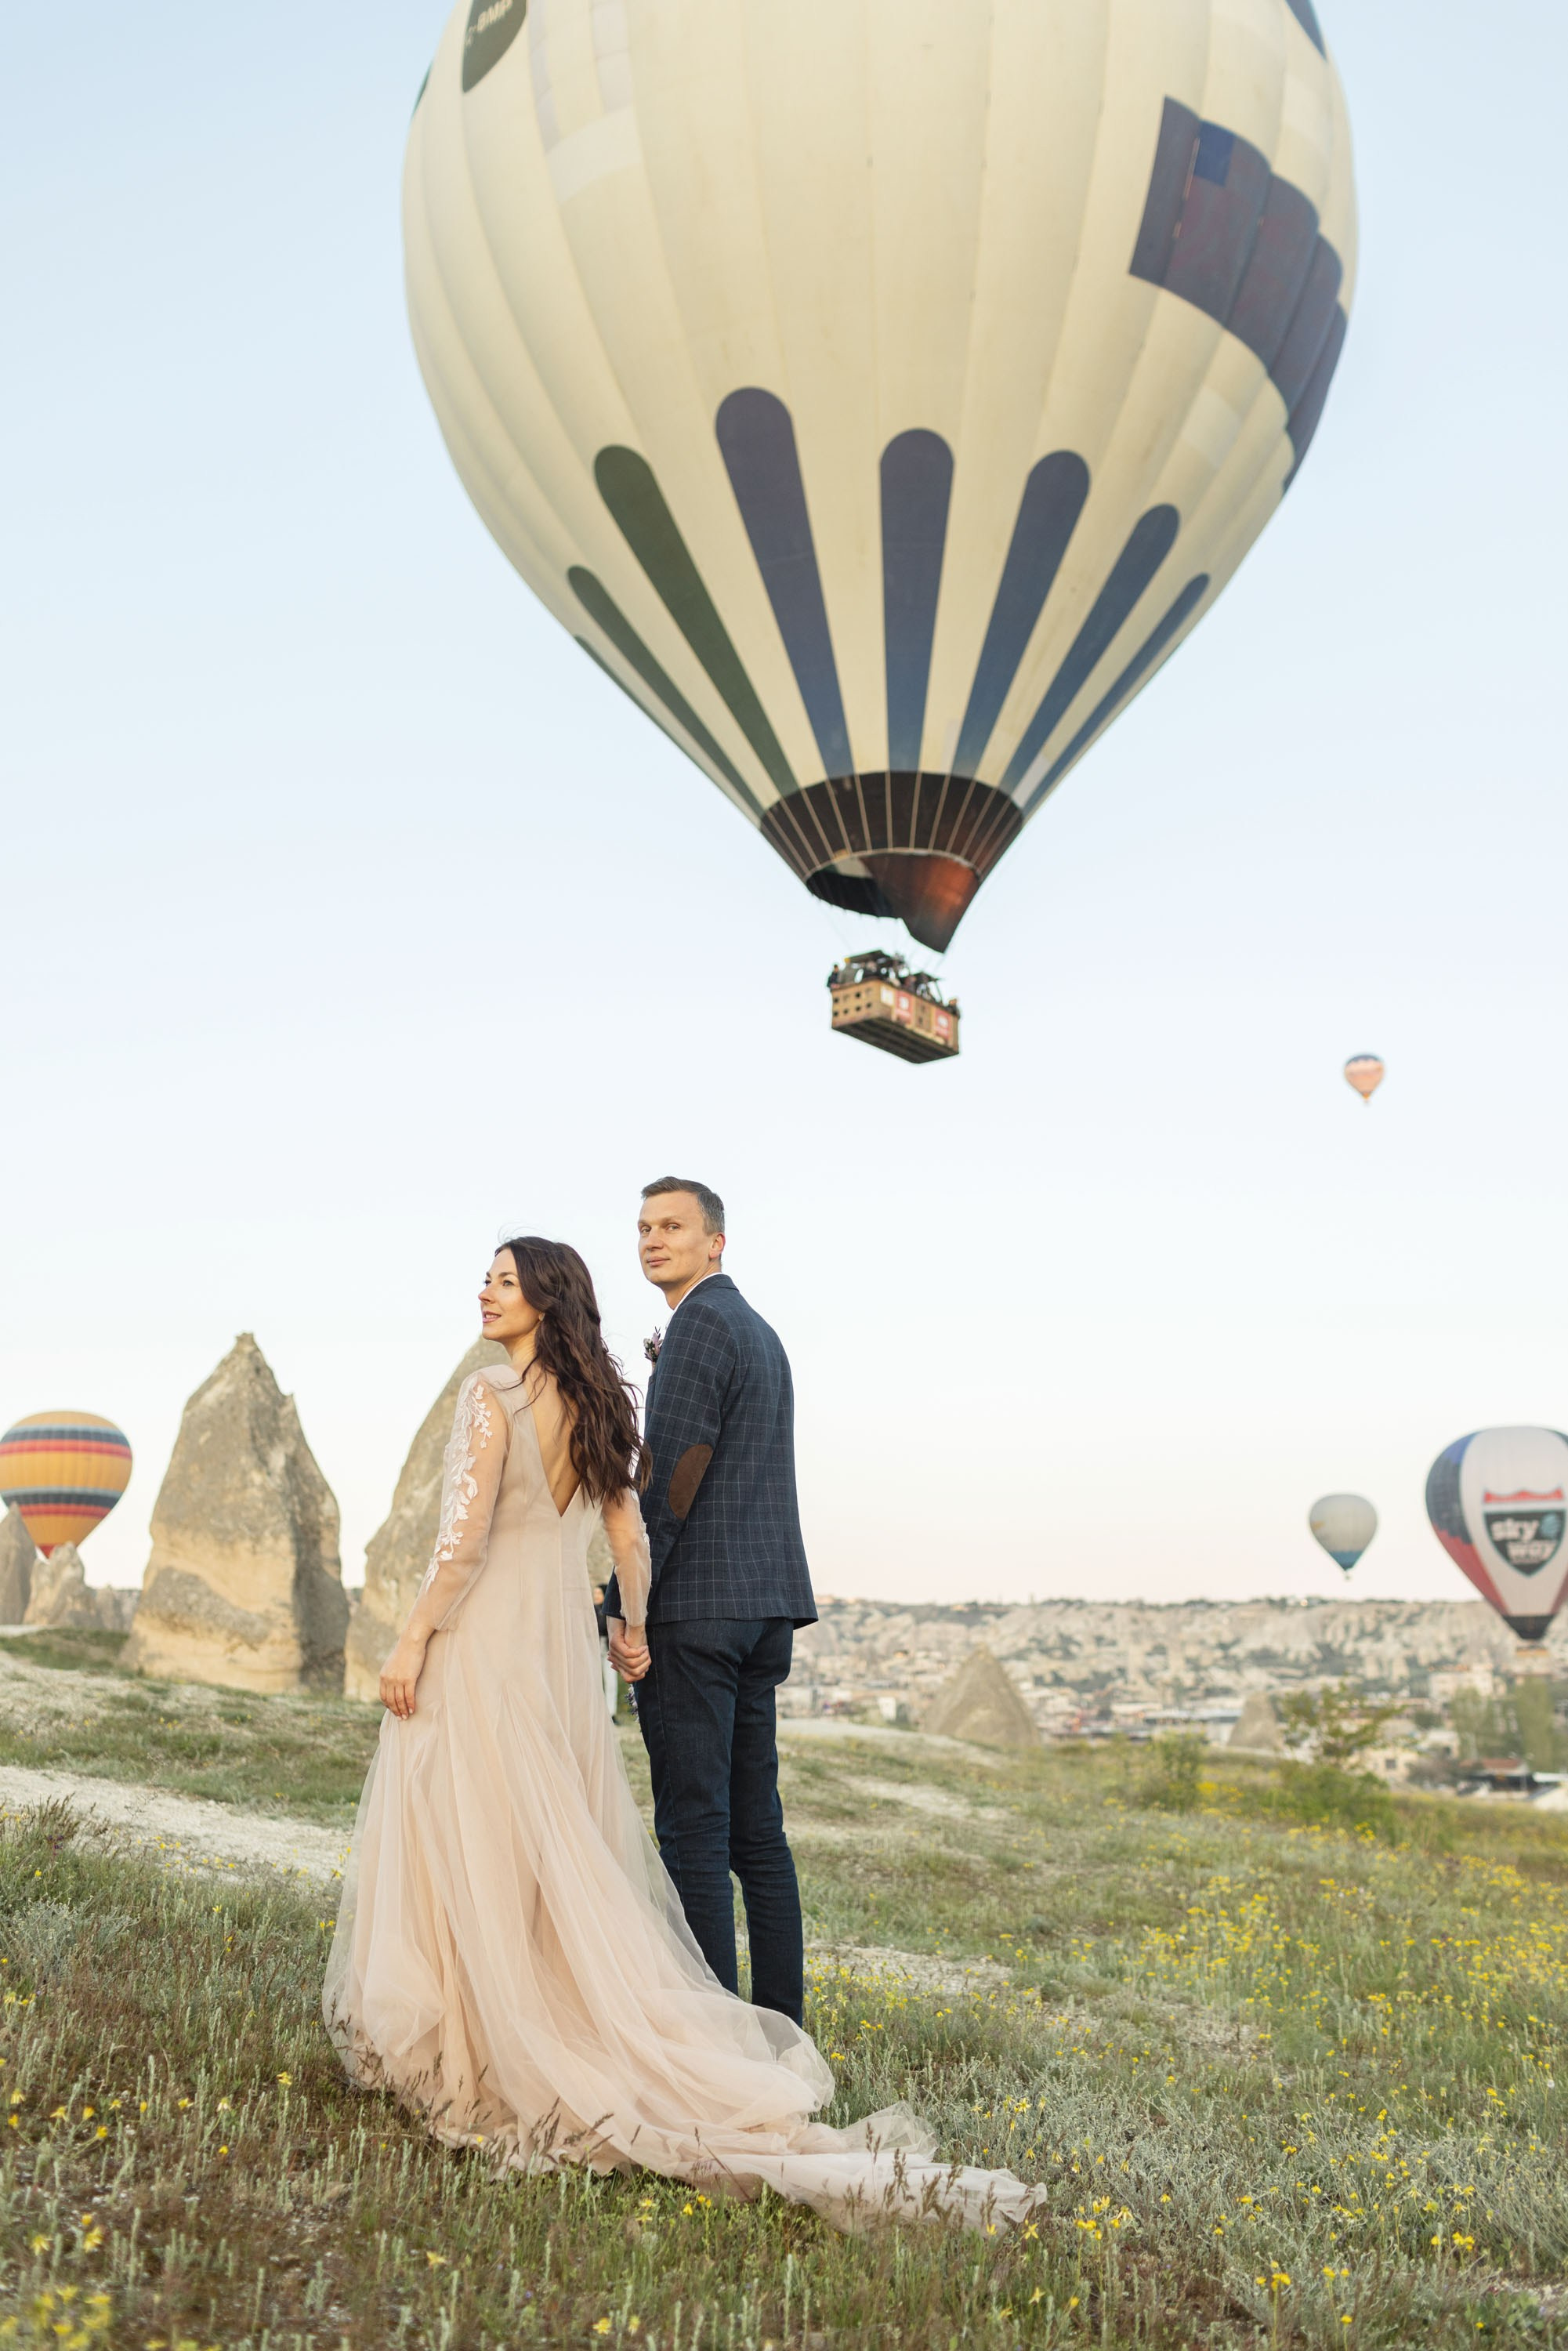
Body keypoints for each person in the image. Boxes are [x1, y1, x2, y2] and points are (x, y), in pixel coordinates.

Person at [324, 1234, 1042, 2229]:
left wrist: (409, 1643)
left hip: (488, 1637)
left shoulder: (492, 1396)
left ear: (544, 1298)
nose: (484, 1294)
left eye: (503, 1281)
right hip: (559, 1657)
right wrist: (627, 1629)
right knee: (551, 1840)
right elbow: (629, 1535)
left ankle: (480, 2041)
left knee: (470, 1825)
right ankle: (541, 2018)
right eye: (485, 1281)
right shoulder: (601, 1404)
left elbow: (461, 1545)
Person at [605, 1178, 813, 2028]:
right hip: (765, 1606)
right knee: (756, 1832)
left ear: (715, 1241)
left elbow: (672, 1482)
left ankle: (718, 2046)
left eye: (675, 1227)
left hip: (698, 1615)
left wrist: (629, 1605)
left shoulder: (697, 1327)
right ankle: (783, 2029)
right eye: (645, 1227)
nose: (655, 1240)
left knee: (695, 1832)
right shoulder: (760, 1333)